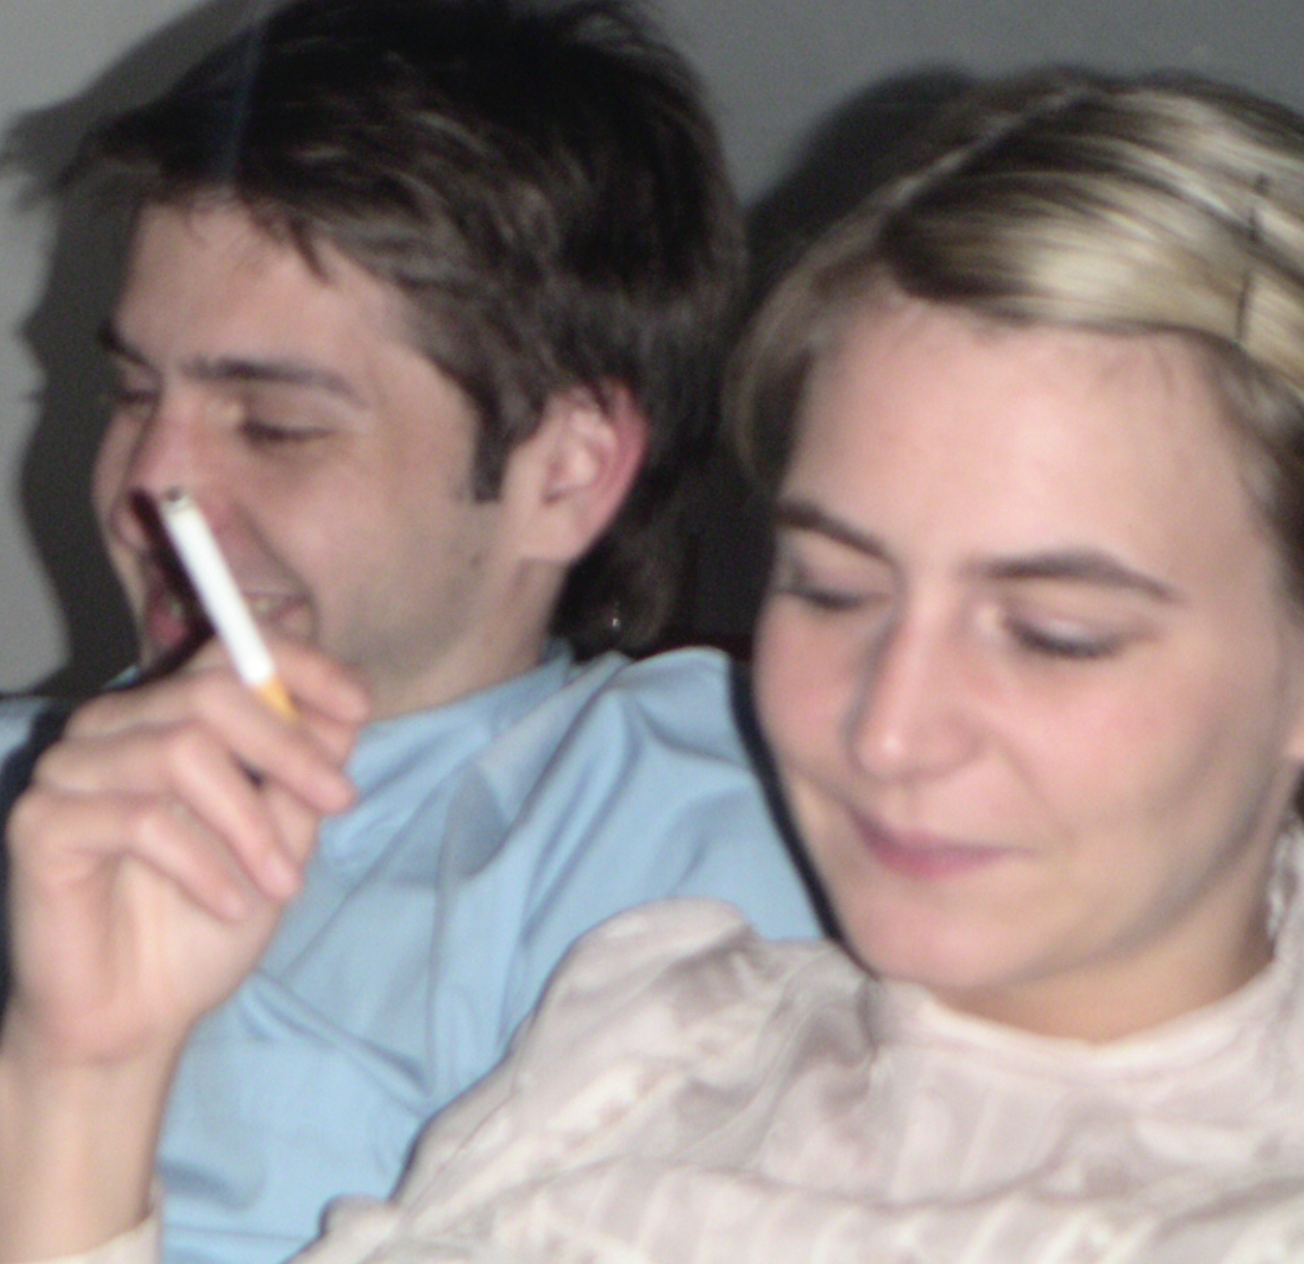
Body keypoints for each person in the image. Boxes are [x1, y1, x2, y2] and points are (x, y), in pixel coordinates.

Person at [3, 65, 1302, 1263]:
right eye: (832, 588)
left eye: (1055, 633)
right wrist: (92, 1077)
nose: (888, 730)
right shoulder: (658, 1041)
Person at [0, 1, 823, 1261]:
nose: (149, 487)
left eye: (276, 425)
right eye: (132, 391)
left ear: (565, 470)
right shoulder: (29, 774)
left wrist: (84, 1079)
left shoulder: (670, 835)